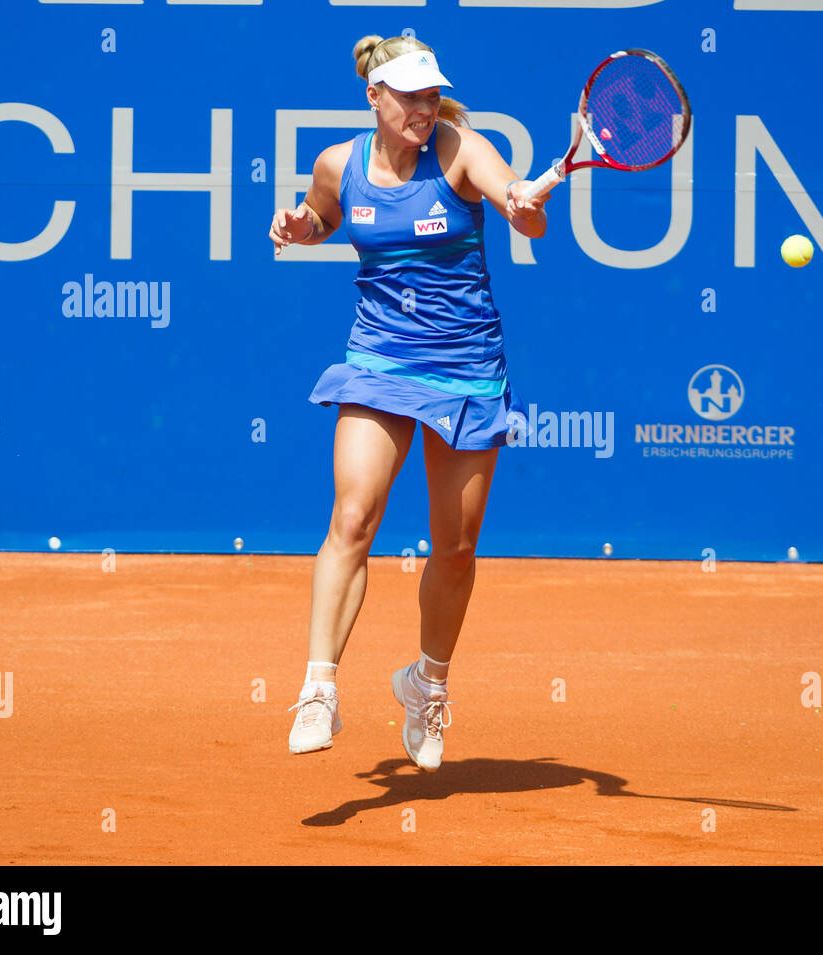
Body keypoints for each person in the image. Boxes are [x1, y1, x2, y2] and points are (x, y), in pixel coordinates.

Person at [268, 34, 548, 772]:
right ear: (375, 96)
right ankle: (319, 688)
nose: (425, 108)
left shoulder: (459, 148)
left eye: (432, 94)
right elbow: (325, 216)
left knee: (454, 550)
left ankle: (426, 685)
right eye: (410, 95)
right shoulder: (338, 162)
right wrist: (303, 226)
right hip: (380, 359)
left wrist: (521, 203)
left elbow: (516, 203)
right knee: (353, 517)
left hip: (464, 368)